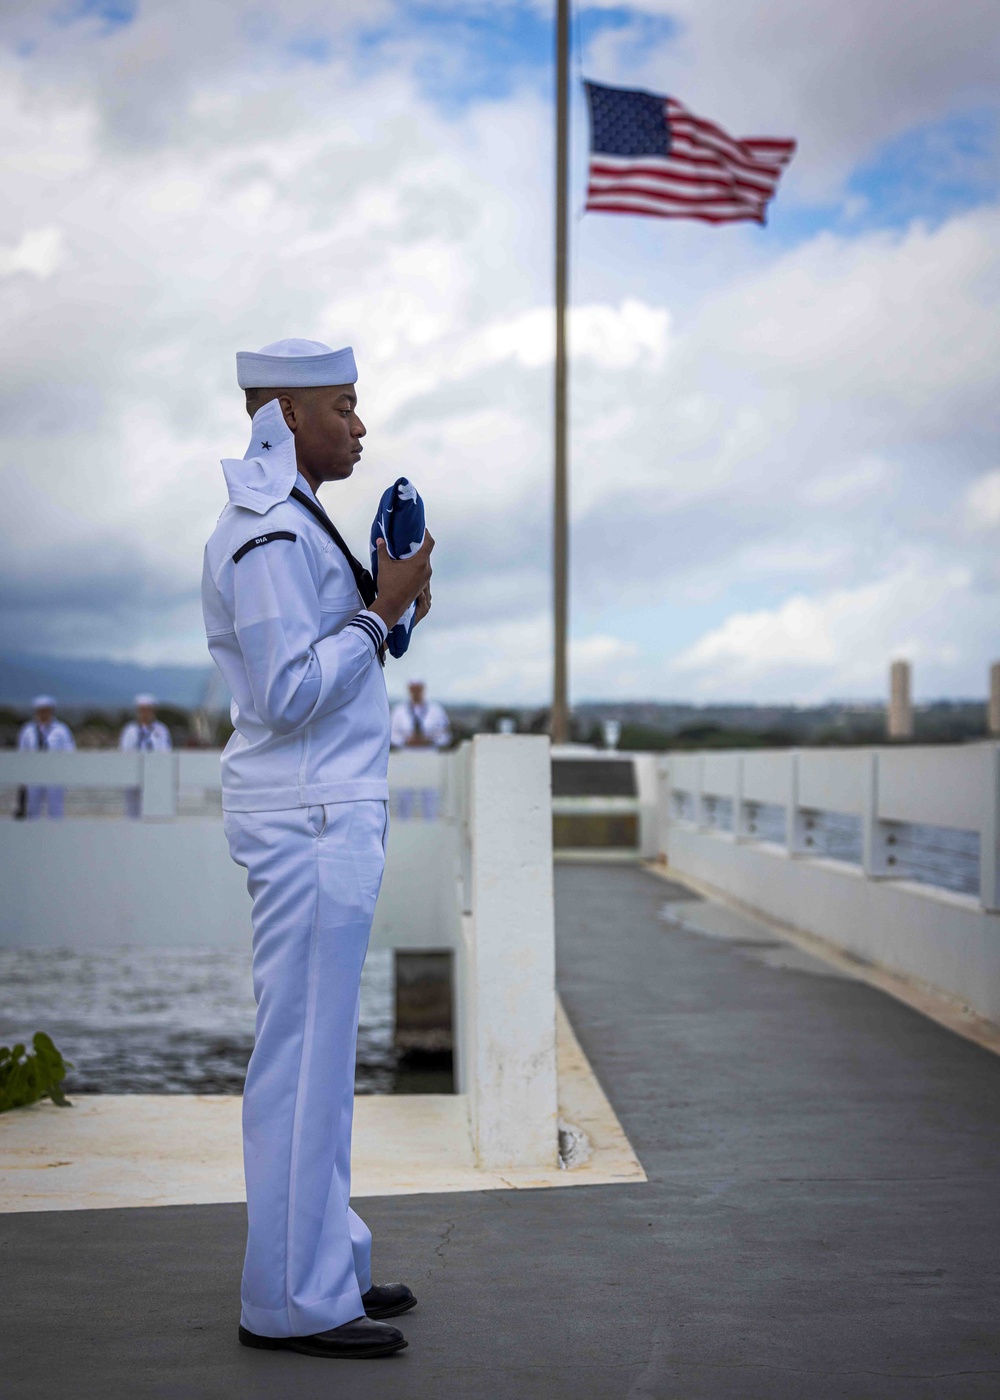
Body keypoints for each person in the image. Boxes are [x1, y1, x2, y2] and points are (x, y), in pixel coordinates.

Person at [201, 337, 433, 1362]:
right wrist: (376, 618)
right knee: (300, 1063)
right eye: (343, 404)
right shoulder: (262, 532)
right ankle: (291, 1299)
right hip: (306, 818)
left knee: (322, 1060)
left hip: (324, 811)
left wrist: (386, 606)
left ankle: (323, 1260)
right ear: (286, 413)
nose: (360, 423)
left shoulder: (293, 520)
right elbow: (287, 690)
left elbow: (313, 661)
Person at [390, 680, 451, 819]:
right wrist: (407, 740)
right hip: (406, 756)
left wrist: (429, 740)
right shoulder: (399, 711)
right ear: (409, 690)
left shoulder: (436, 710)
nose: (416, 692)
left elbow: (446, 735)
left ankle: (432, 828)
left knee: (430, 795)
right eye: (413, 689)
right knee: (404, 796)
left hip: (429, 755)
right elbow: (391, 735)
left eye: (419, 689)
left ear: (423, 689)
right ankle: (403, 829)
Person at [17, 695, 74, 819]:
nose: (44, 713)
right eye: (41, 710)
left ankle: (56, 835)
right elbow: (22, 752)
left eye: (46, 710)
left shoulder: (61, 730)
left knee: (55, 810)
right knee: (32, 810)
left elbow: (69, 751)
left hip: (54, 774)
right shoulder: (28, 730)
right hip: (33, 774)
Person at [119, 694, 173, 818]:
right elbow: (124, 750)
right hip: (132, 773)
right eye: (142, 710)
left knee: (154, 809)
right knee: (132, 810)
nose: (145, 714)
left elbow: (166, 751)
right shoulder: (130, 730)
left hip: (154, 774)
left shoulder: (161, 730)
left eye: (148, 710)